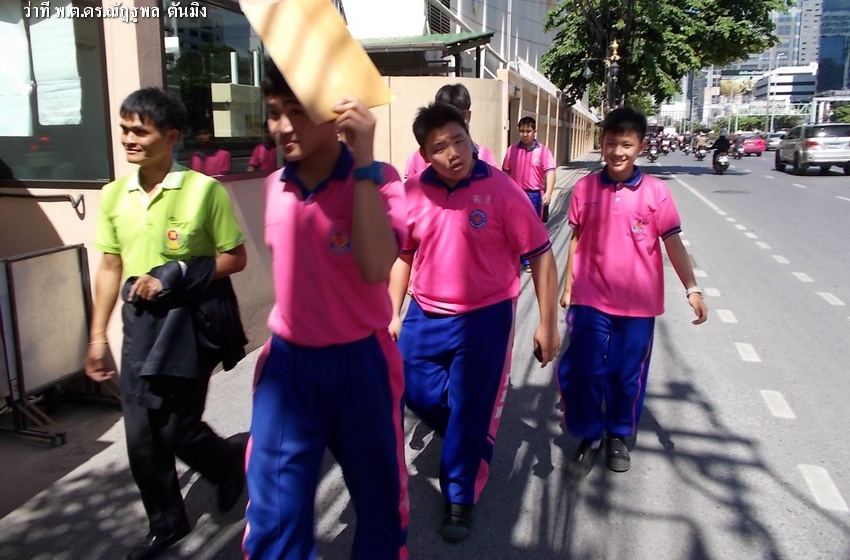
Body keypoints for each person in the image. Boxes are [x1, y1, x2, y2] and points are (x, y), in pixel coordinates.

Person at [243, 64, 409, 560]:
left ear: (333, 112)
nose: (282, 127)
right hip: (288, 366)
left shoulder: (382, 180)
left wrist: (363, 164)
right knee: (273, 515)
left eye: (297, 112)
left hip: (361, 365)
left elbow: (376, 267)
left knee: (378, 503)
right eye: (275, 113)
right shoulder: (274, 186)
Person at [84, 87, 248, 560]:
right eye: (124, 129)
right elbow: (110, 265)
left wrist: (175, 274)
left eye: (140, 131)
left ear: (171, 137)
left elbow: (234, 257)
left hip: (187, 322)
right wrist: (97, 335)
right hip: (139, 322)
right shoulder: (114, 195)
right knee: (141, 435)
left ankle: (226, 462)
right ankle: (167, 523)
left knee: (175, 428)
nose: (128, 139)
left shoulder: (203, 190)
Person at [389, 102, 559, 543]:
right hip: (426, 313)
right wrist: (393, 311)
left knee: (468, 406)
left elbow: (541, 254)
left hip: (486, 316)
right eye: (439, 147)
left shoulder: (502, 190)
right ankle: (471, 432)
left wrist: (548, 323)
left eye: (459, 141)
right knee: (412, 388)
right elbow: (404, 254)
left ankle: (460, 497)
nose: (453, 153)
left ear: (470, 138)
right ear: (425, 155)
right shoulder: (413, 193)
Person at [558, 107, 708, 475]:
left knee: (625, 375)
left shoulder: (656, 192)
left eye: (626, 144)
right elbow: (576, 238)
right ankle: (589, 434)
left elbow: (673, 243)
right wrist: (568, 285)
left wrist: (692, 287)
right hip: (590, 297)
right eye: (611, 143)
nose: (617, 152)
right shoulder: (585, 189)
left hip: (638, 304)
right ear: (602, 144)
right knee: (584, 369)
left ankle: (618, 434)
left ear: (641, 146)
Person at [403, 83, 497, 179]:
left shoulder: (485, 155)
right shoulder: (416, 160)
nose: (453, 154)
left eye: (461, 115)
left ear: (469, 116)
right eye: (447, 116)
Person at [501, 116, 556, 271]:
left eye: (528, 131)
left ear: (534, 131)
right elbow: (505, 172)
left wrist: (548, 193)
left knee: (530, 228)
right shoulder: (512, 150)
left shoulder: (543, 151)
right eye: (522, 131)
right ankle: (513, 257)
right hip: (515, 194)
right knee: (512, 227)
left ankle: (527, 260)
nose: (525, 134)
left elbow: (550, 172)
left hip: (534, 195)